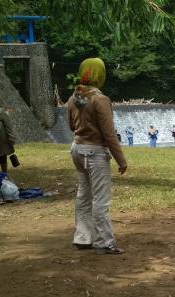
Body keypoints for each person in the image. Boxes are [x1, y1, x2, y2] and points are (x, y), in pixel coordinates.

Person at [66, 57, 128, 254]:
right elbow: (109, 134)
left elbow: (71, 126)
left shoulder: (74, 97)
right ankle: (104, 242)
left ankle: (83, 237)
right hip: (95, 153)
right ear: (100, 75)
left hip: (77, 149)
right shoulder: (100, 99)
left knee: (83, 196)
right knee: (100, 200)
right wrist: (121, 160)